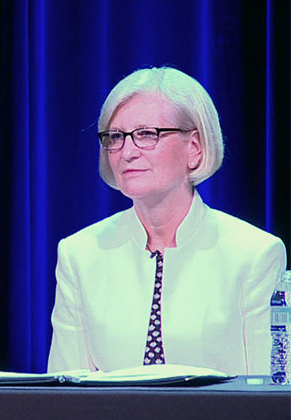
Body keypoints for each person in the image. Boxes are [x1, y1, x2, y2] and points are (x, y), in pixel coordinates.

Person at [47, 66, 287, 375]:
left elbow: (268, 394)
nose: (127, 151)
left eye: (147, 134)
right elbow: (67, 393)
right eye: (115, 137)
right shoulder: (80, 254)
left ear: (195, 148)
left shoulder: (255, 255)